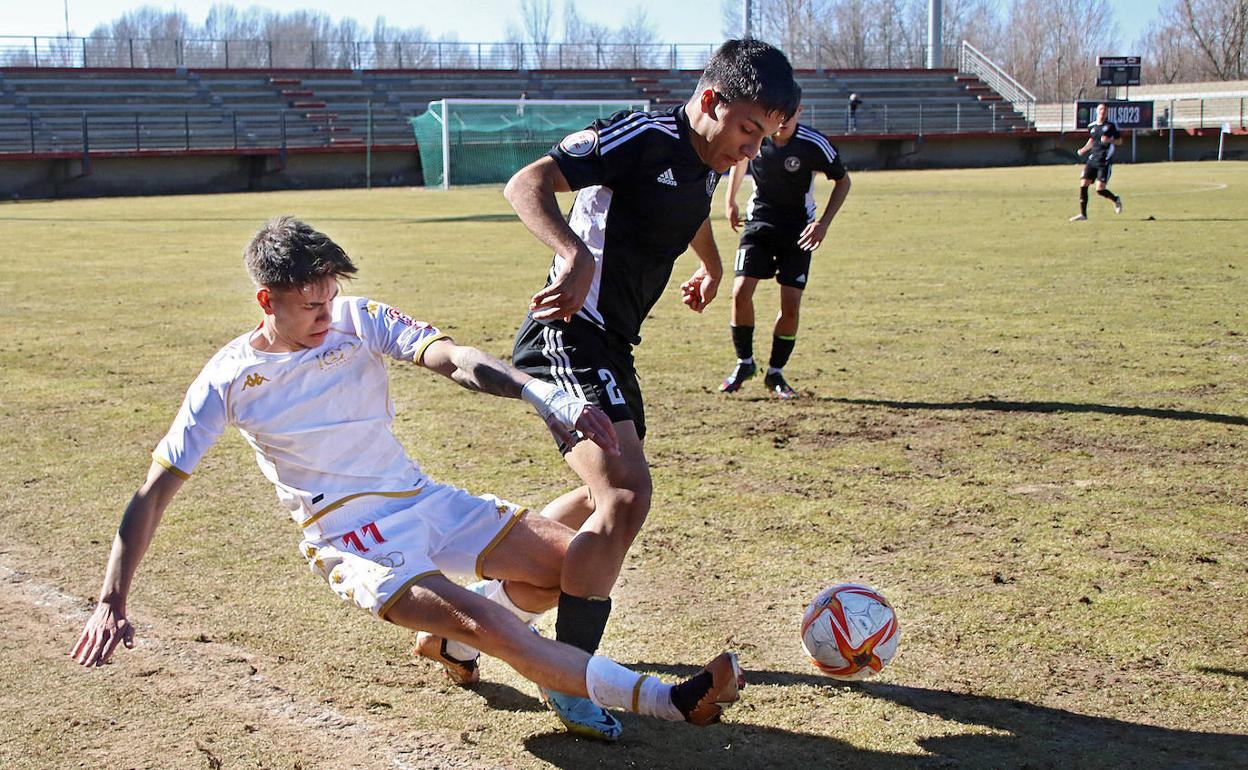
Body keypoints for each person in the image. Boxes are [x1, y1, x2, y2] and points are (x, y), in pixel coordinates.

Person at [69, 216, 745, 732]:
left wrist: (542, 393)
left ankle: (447, 642)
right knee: (493, 624)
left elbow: (452, 358)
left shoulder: (357, 319)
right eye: (310, 305)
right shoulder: (227, 379)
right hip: (352, 537)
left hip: (421, 498)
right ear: (265, 300)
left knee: (570, 569)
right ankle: (667, 700)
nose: (326, 315)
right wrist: (111, 598)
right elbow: (153, 495)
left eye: (331, 298)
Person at [450, 39, 799, 741]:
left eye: (760, 141)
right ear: (710, 101)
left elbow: (689, 209)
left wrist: (707, 265)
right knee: (625, 496)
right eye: (746, 133)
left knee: (595, 502)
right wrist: (571, 253)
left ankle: (468, 627)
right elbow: (526, 182)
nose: (748, 152)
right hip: (569, 334)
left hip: (614, 346)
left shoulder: (705, 161)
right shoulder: (641, 135)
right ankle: (569, 676)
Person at [721, 105, 852, 398]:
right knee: (740, 292)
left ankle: (776, 373)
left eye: (787, 116)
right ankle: (745, 362)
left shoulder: (812, 143)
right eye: (776, 116)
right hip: (759, 225)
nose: (781, 122)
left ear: (799, 112)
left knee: (790, 304)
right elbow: (739, 161)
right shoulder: (758, 136)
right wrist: (730, 199)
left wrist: (823, 224)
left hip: (798, 232)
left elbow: (843, 180)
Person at [1071, 102, 1124, 221]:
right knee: (1083, 183)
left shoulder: (1111, 126)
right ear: (1097, 112)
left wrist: (1109, 140)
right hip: (1092, 160)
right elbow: (1092, 140)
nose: (1102, 112)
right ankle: (1083, 214)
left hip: (1104, 161)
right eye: (1100, 110)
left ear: (1106, 113)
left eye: (1104, 110)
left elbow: (1119, 141)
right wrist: (1083, 150)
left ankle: (1116, 199)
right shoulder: (1092, 126)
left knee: (1100, 189)